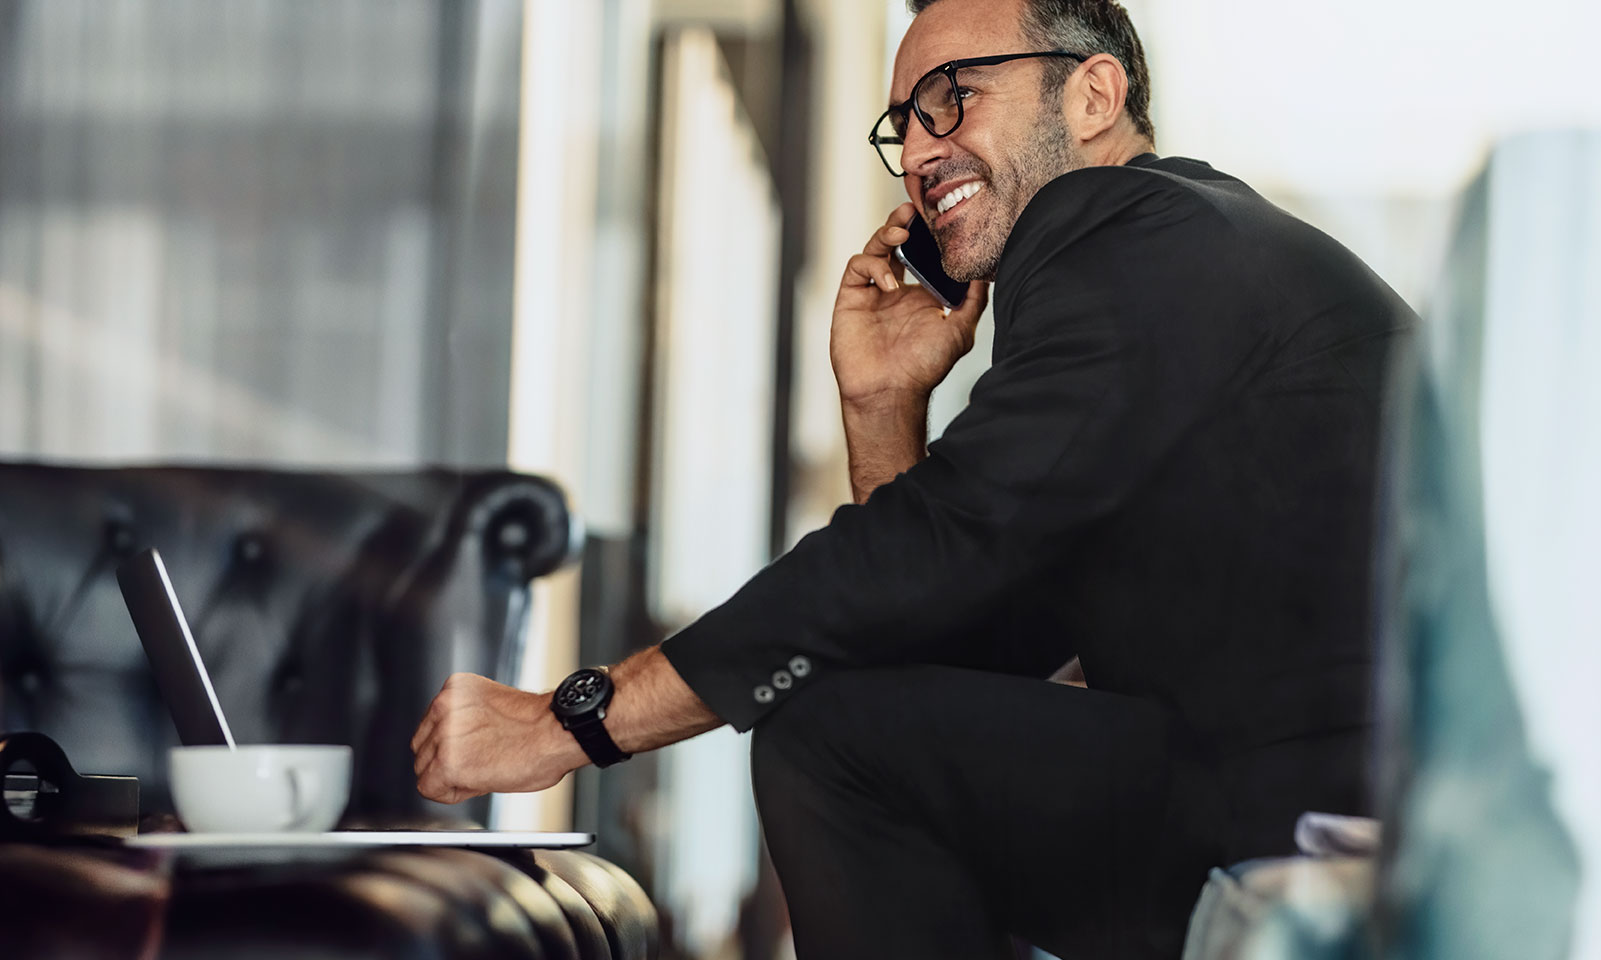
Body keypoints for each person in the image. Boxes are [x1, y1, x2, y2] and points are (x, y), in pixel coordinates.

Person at [410, 0, 1417, 955]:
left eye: (954, 97)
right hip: (1279, 789)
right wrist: (880, 407)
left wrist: (569, 721)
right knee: (856, 723)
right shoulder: (1168, 261)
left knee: (831, 738)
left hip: (1323, 812)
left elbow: (929, 555)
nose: (924, 151)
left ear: (1093, 96)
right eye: (904, 124)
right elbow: (953, 632)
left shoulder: (1127, 232)